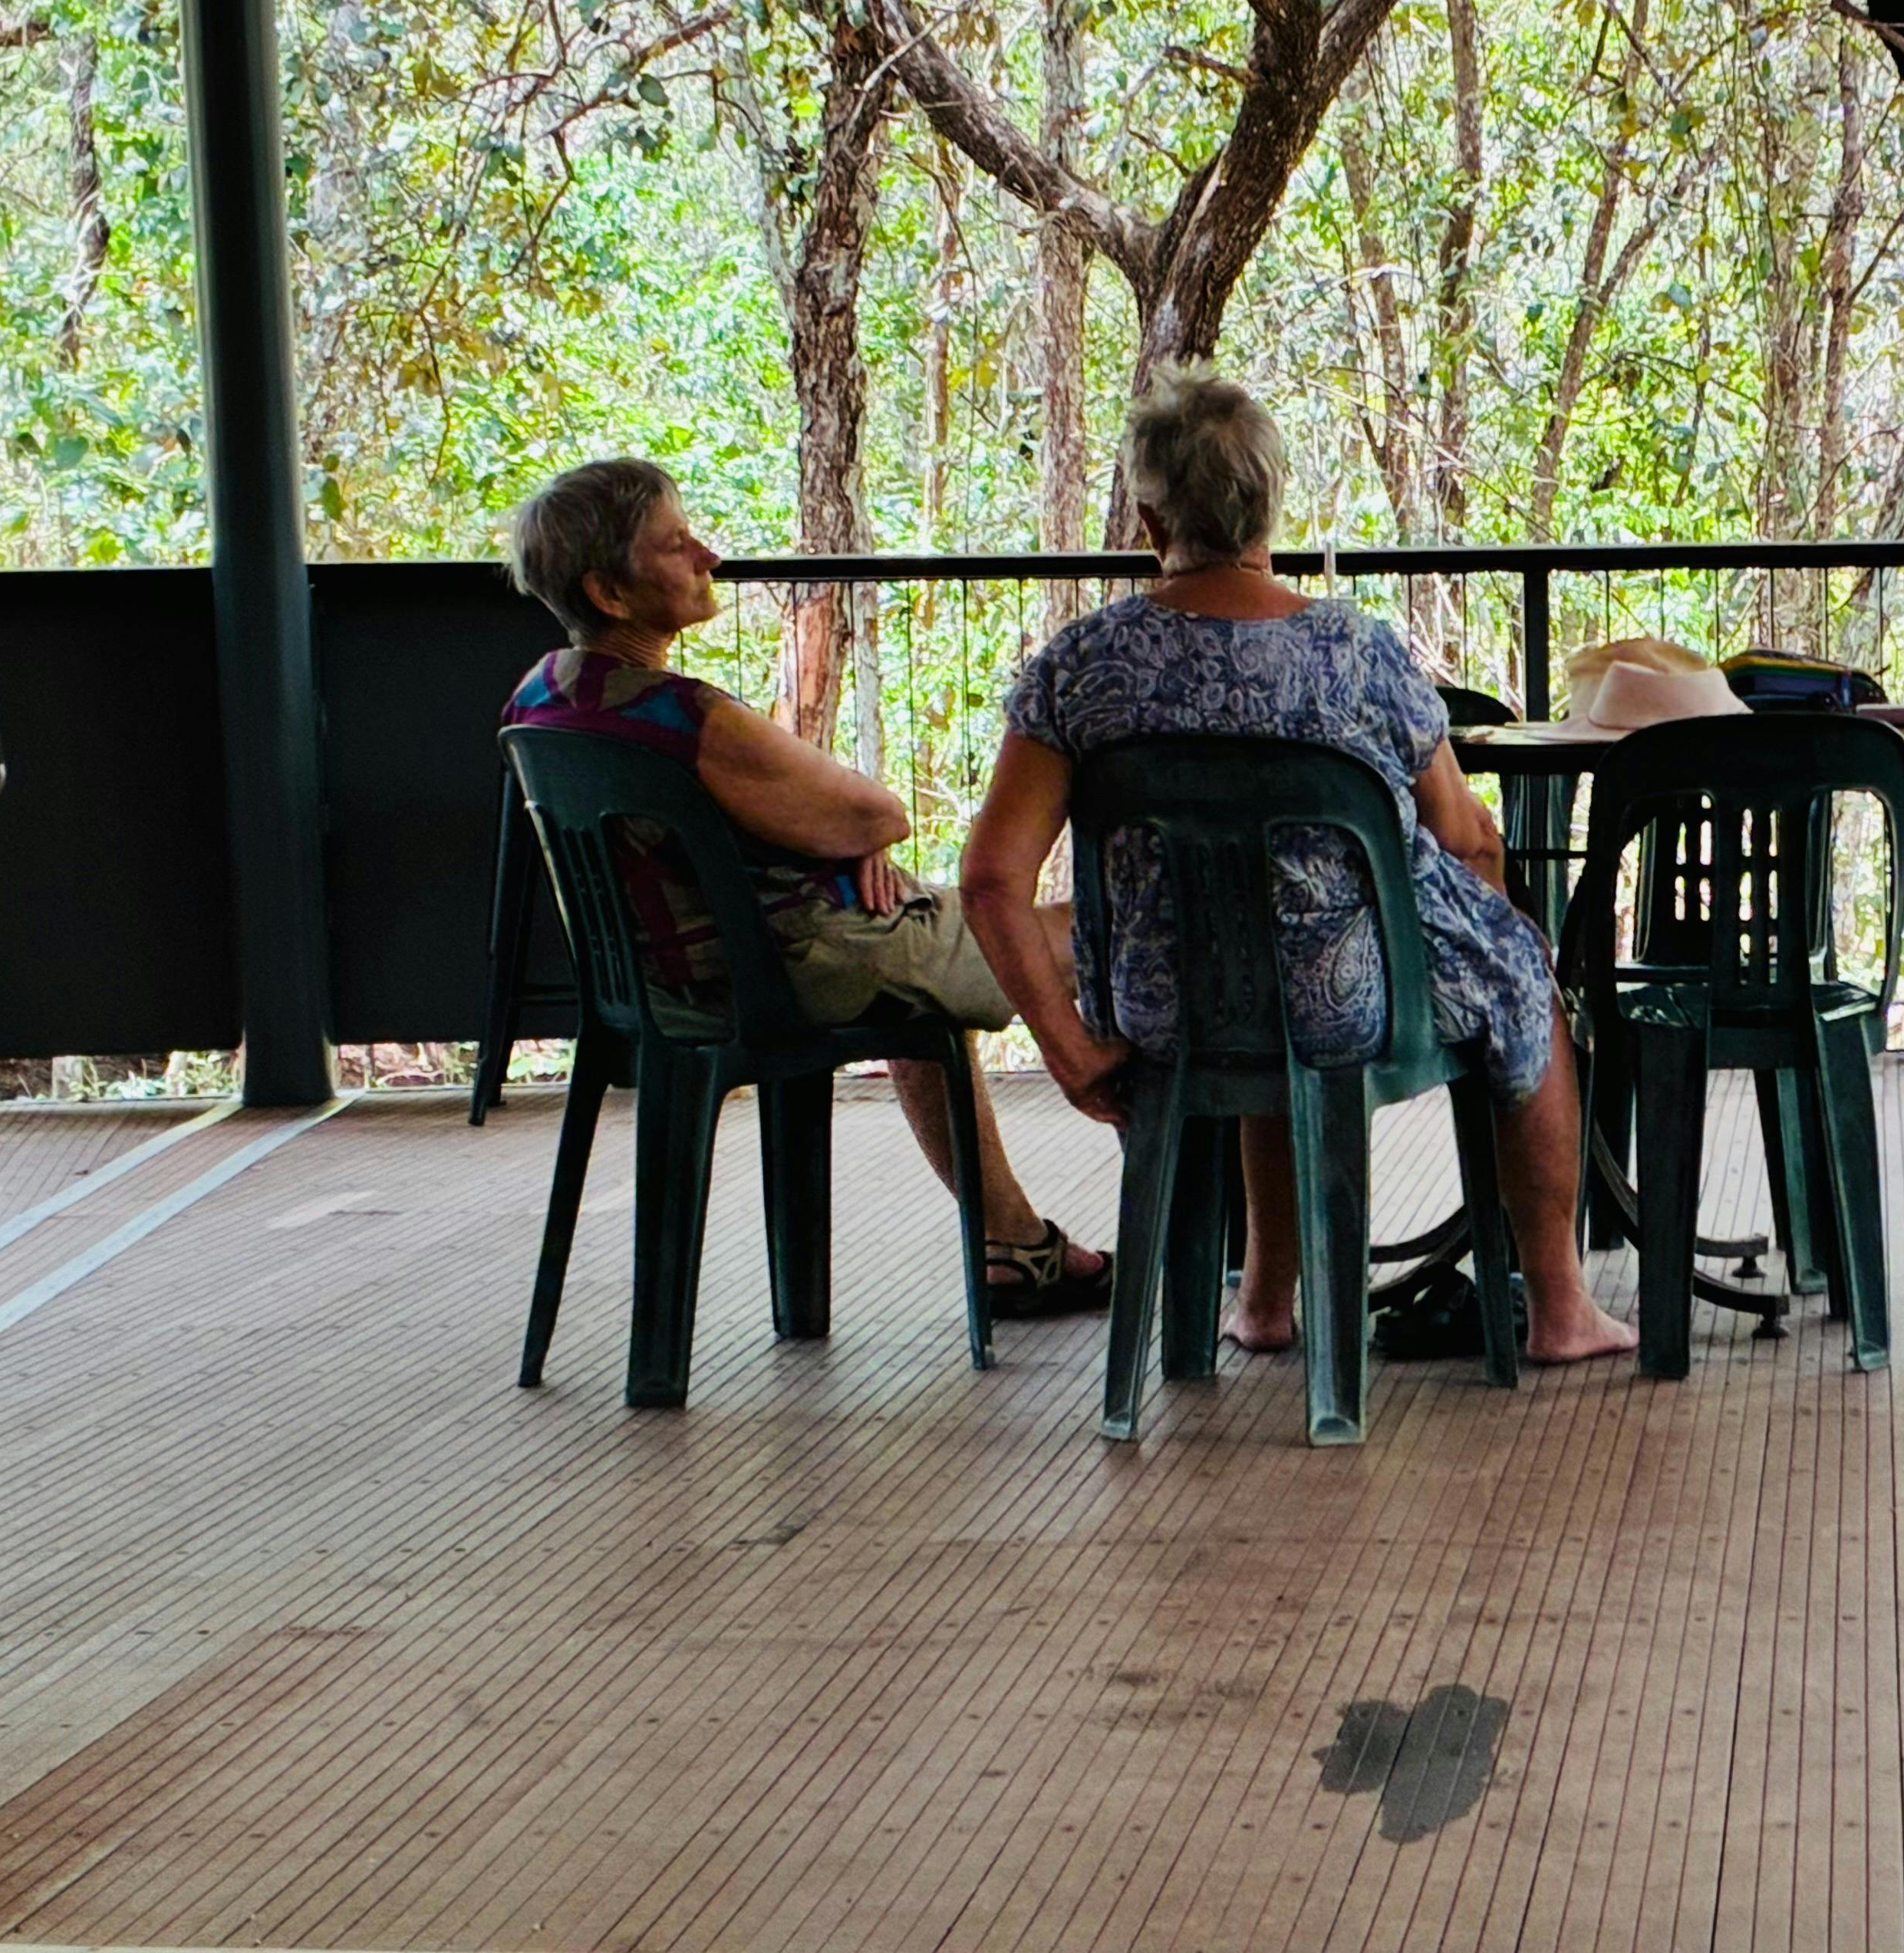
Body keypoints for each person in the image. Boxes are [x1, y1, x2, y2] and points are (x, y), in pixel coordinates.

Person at [959, 366, 1635, 1366]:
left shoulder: (1080, 666)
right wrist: (1491, 939)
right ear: (1270, 507)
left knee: (1255, 971)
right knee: (1516, 972)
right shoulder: (1359, 654)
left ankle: (1267, 1301)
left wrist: (1068, 1050)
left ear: (1150, 521)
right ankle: (1561, 1308)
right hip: (1349, 1004)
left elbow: (990, 882)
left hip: (1168, 1007)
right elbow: (1468, 839)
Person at [499, 459, 1111, 1318]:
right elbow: (879, 812)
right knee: (1110, 932)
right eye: (676, 545)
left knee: (920, 991)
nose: (708, 555)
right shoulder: (686, 716)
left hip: (662, 983)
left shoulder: (540, 697)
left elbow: (801, 826)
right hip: (785, 966)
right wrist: (855, 840)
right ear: (609, 592)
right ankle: (1209, 1225)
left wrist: (843, 845)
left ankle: (1015, 1245)